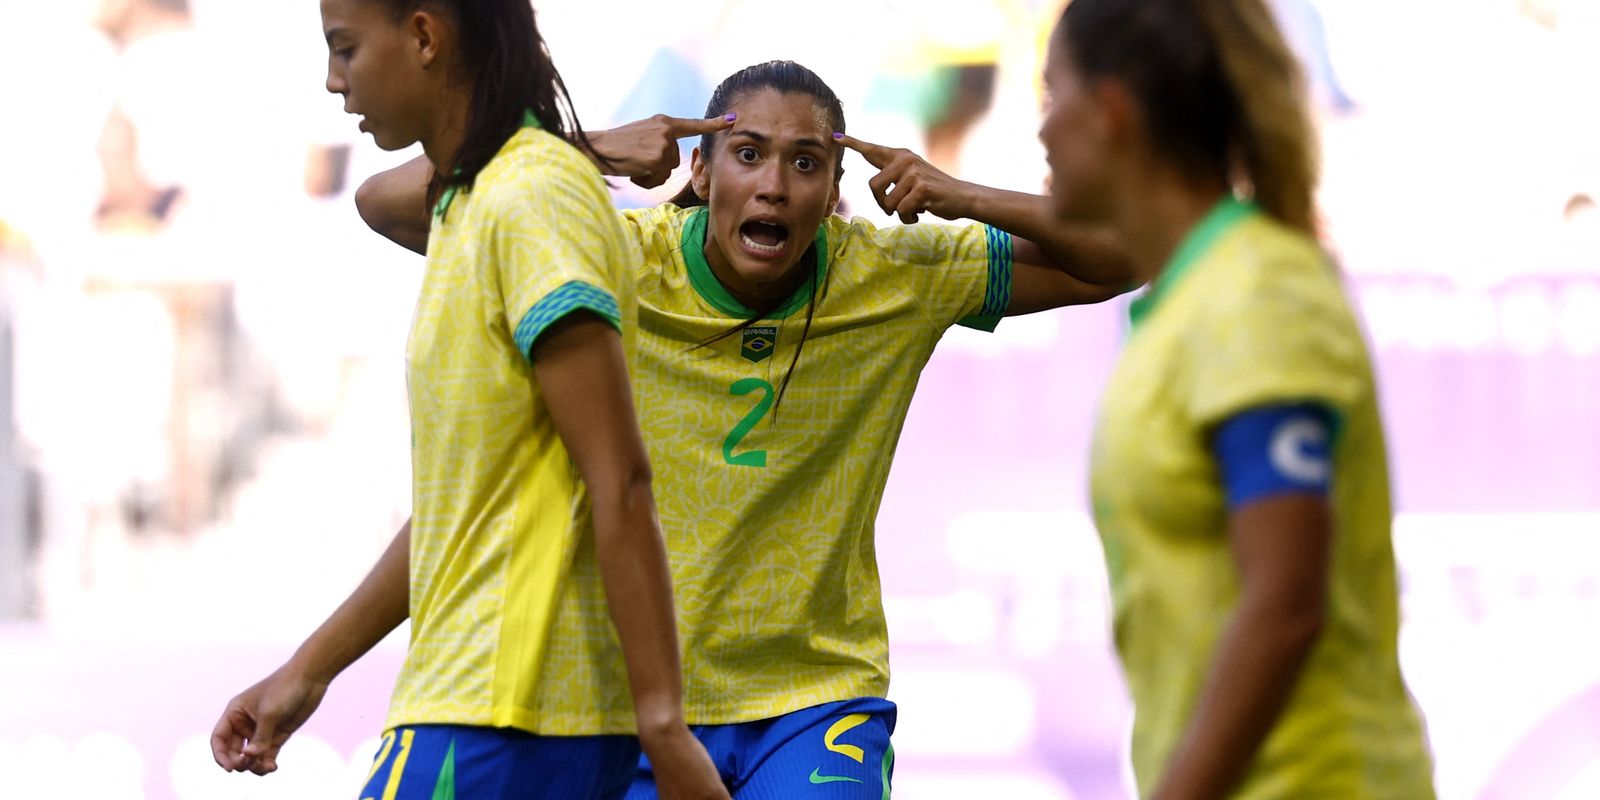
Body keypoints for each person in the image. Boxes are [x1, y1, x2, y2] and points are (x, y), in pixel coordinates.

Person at [355, 60, 1131, 798]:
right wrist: (589, 150)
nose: (773, 186)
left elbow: (1123, 253)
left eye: (805, 164)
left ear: (834, 191)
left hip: (812, 702)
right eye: (749, 154)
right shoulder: (614, 257)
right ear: (700, 172)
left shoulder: (897, 274)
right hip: (632, 705)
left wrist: (962, 194)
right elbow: (385, 202)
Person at [208, 2, 727, 798]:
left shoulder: (533, 195)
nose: (333, 79)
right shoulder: (475, 200)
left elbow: (620, 477)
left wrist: (664, 726)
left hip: (507, 715)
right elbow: (467, 506)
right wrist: (310, 670)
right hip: (482, 704)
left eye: (345, 48)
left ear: (424, 36)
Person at [1038, 1, 1436, 798]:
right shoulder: (1189, 301)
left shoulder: (1256, 293)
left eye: (1053, 95)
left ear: (1111, 112)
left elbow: (1286, 605)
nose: (1042, 130)